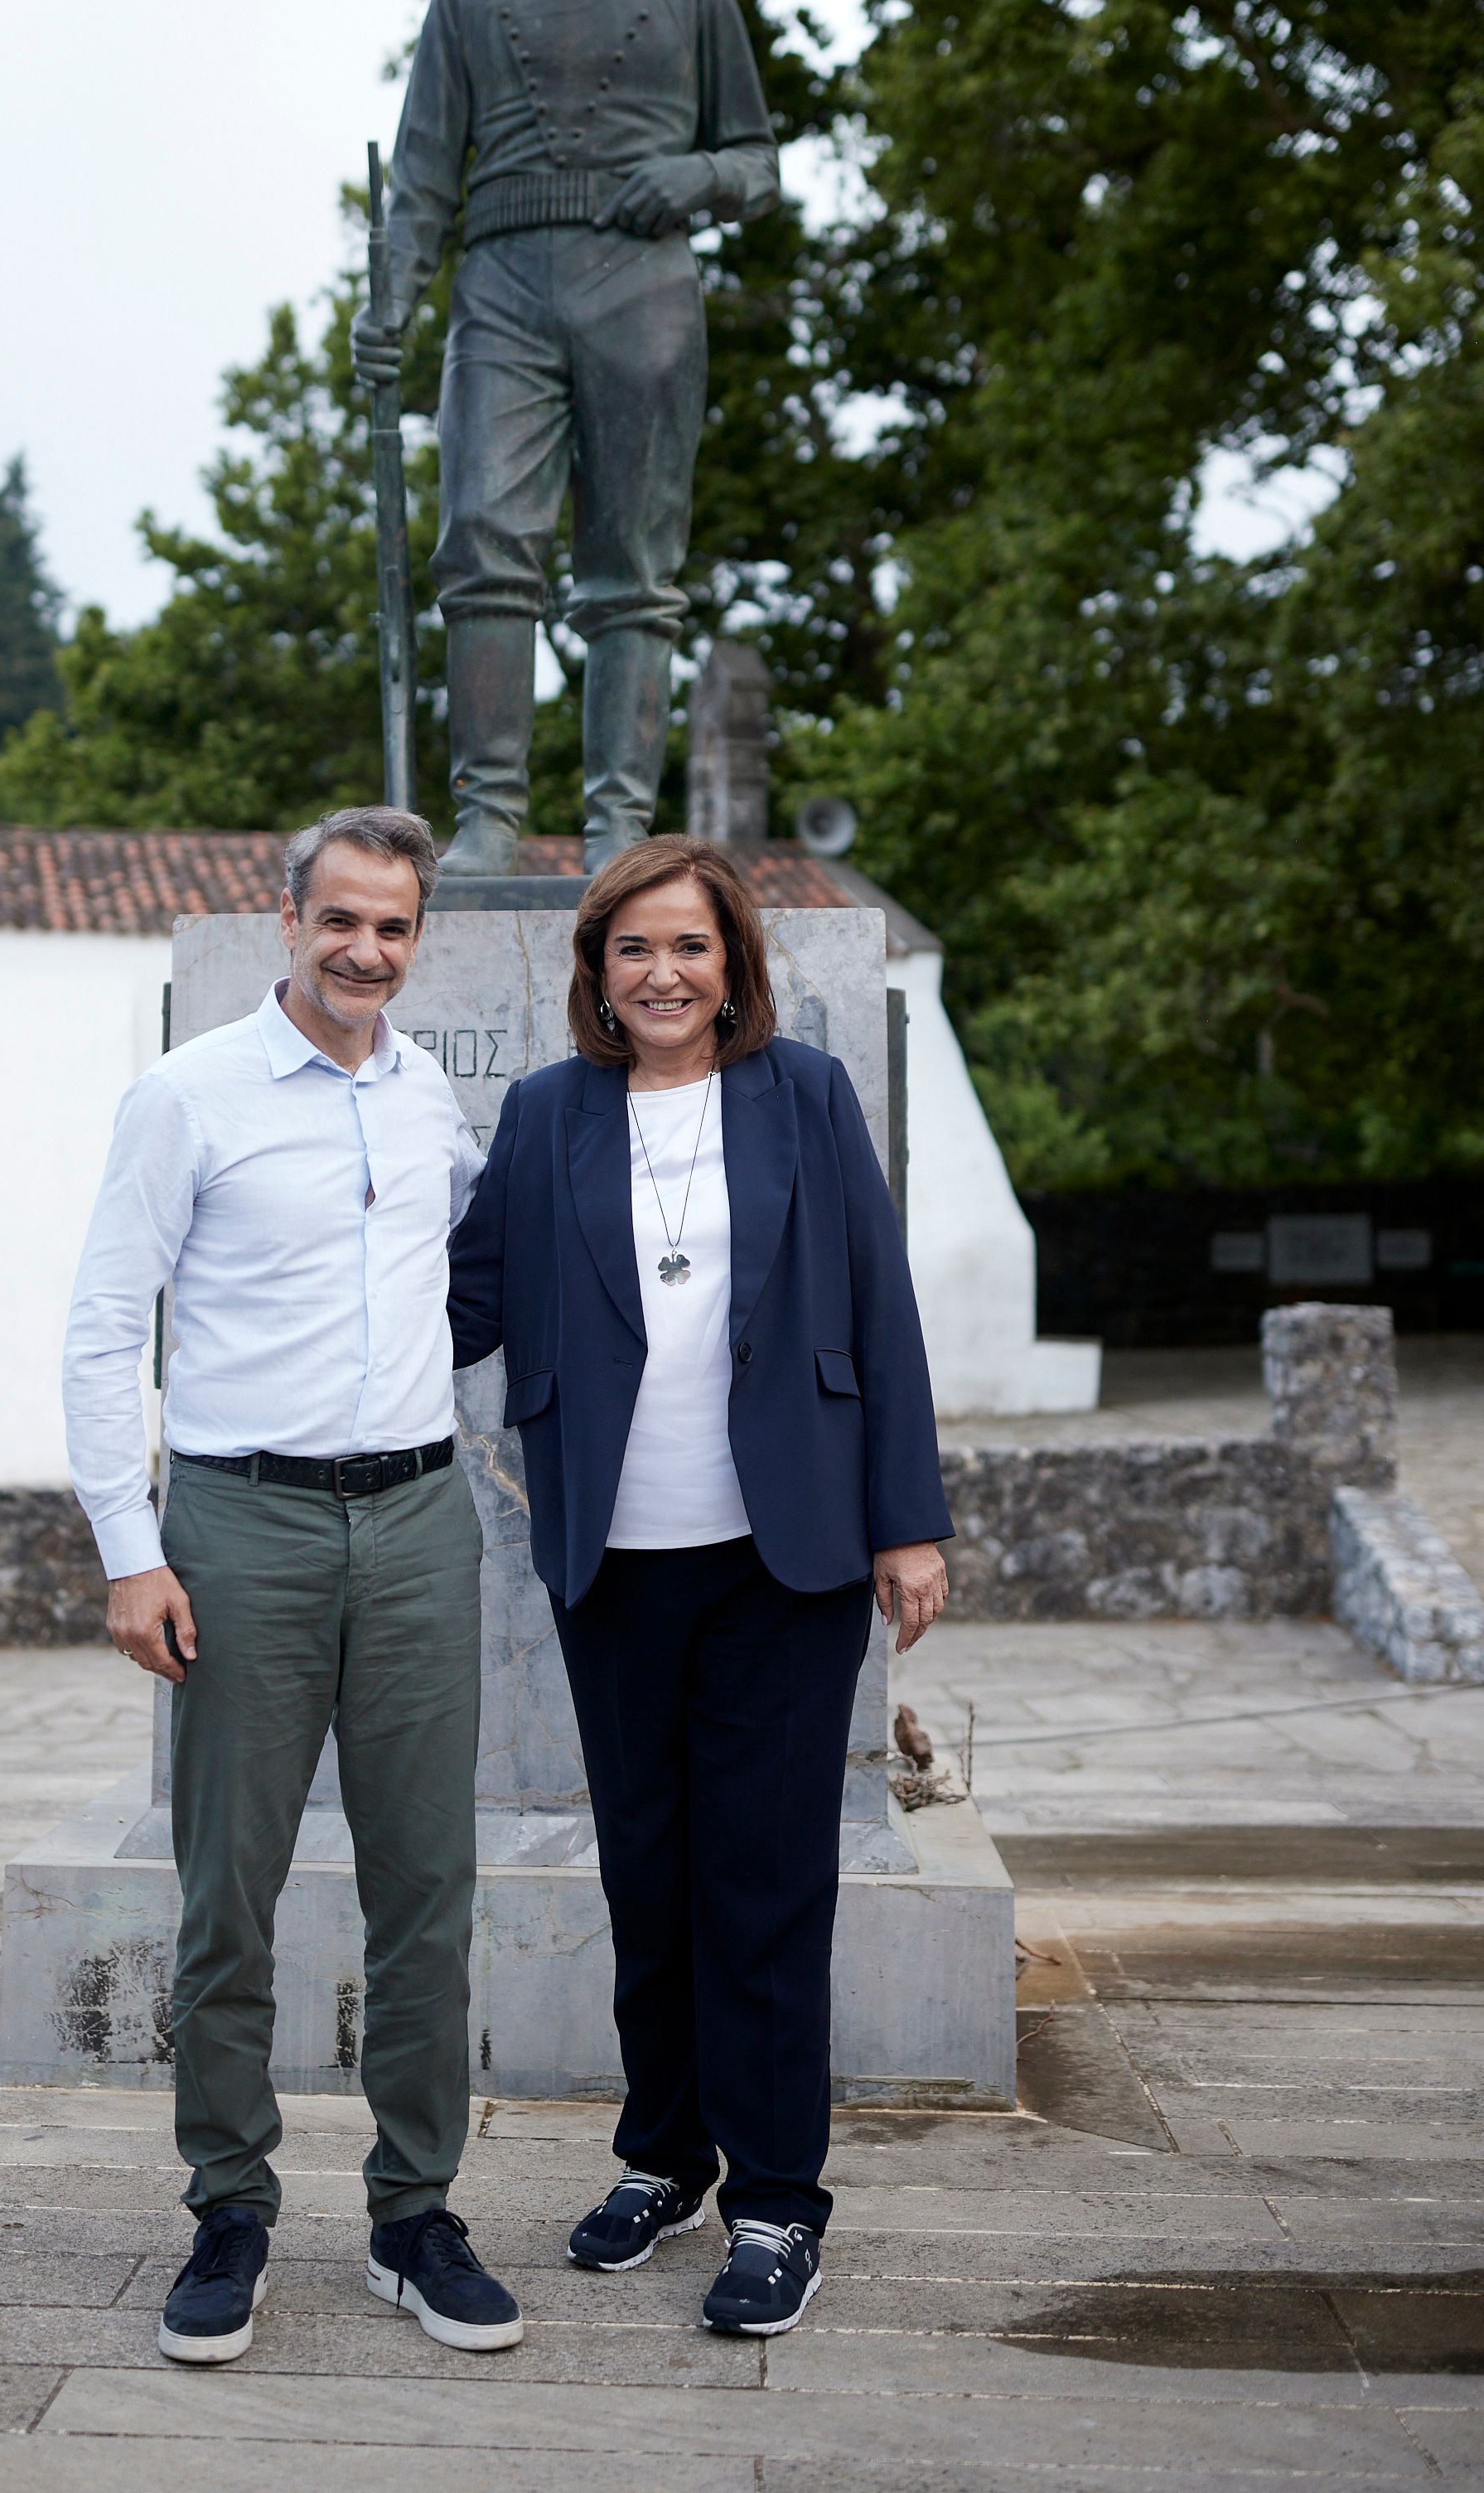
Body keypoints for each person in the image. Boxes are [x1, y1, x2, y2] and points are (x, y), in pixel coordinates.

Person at [447, 835, 952, 2338]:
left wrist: (905, 1522)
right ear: (595, 973)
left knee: (766, 1886)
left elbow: (880, 1302)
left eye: (690, 947)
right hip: (615, 1565)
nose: (662, 975)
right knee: (647, 1882)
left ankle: (780, 2202)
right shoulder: (545, 1118)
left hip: (782, 1561)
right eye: (633, 951)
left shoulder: (802, 1096)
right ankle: (661, 2156)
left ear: (734, 965)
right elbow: (455, 1299)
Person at [63, 806, 523, 2367]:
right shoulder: (187, 1097)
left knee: (427, 1890)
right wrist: (132, 1548)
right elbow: (104, 1325)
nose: (366, 953)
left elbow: (482, 1268)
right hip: (238, 1527)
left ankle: (414, 2215)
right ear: (289, 923)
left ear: (416, 939)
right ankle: (230, 2208)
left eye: (393, 929)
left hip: (415, 1523)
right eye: (341, 921)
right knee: (228, 1893)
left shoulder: (428, 1108)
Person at [350, 0, 779, 877]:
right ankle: (488, 819)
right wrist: (392, 298)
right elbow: (420, 181)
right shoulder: (465, 7)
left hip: (642, 286)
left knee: (633, 562)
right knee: (484, 540)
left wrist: (691, 181)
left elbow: (757, 162)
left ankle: (618, 830)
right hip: (502, 285)